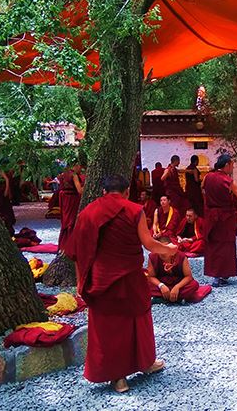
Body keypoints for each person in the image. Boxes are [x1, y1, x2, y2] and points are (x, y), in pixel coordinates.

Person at [66, 174, 174, 393]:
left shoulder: (88, 213)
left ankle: (118, 378)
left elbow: (77, 252)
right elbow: (148, 243)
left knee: (108, 326)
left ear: (103, 192)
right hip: (130, 276)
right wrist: (170, 250)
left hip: (101, 278)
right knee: (138, 319)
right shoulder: (134, 210)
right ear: (126, 192)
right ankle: (145, 362)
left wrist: (80, 282)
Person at [202, 154, 237, 287]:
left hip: (211, 216)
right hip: (225, 217)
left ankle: (216, 275)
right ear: (226, 165)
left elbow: (202, 189)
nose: (232, 168)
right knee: (226, 245)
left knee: (214, 245)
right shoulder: (227, 180)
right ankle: (224, 274)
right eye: (232, 165)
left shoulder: (207, 176)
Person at [146, 236, 212, 304]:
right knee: (145, 284)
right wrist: (161, 285)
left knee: (194, 285)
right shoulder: (153, 256)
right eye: (161, 248)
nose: (163, 251)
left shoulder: (181, 256)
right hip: (161, 282)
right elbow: (151, 276)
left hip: (178, 283)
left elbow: (188, 277)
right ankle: (179, 299)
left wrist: (177, 287)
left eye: (166, 248)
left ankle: (161, 298)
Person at [58, 162, 84, 252]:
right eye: (79, 166)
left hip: (64, 199)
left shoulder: (63, 174)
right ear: (75, 165)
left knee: (65, 221)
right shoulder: (74, 175)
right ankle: (70, 245)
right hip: (72, 199)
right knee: (71, 222)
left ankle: (63, 245)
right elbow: (80, 191)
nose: (80, 169)